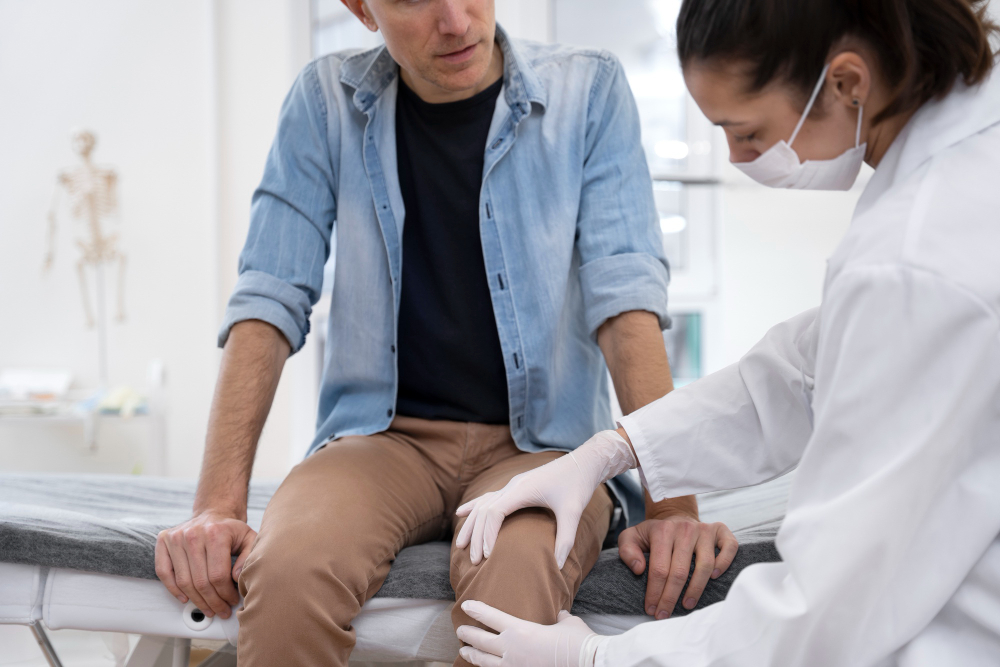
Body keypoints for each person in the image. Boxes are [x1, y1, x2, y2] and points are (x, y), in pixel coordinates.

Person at [151, 1, 739, 665]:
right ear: (360, 8)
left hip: (543, 448)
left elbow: (625, 301)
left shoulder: (588, 90)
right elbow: (268, 297)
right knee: (288, 572)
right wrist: (217, 506)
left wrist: (671, 510)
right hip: (382, 440)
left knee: (515, 591)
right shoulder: (323, 103)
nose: (456, 20)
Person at [454, 0, 1000, 665]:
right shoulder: (952, 175)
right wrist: (613, 450)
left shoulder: (919, 256)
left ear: (847, 82)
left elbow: (823, 610)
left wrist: (598, 657)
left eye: (746, 131)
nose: (738, 157)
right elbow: (807, 370)